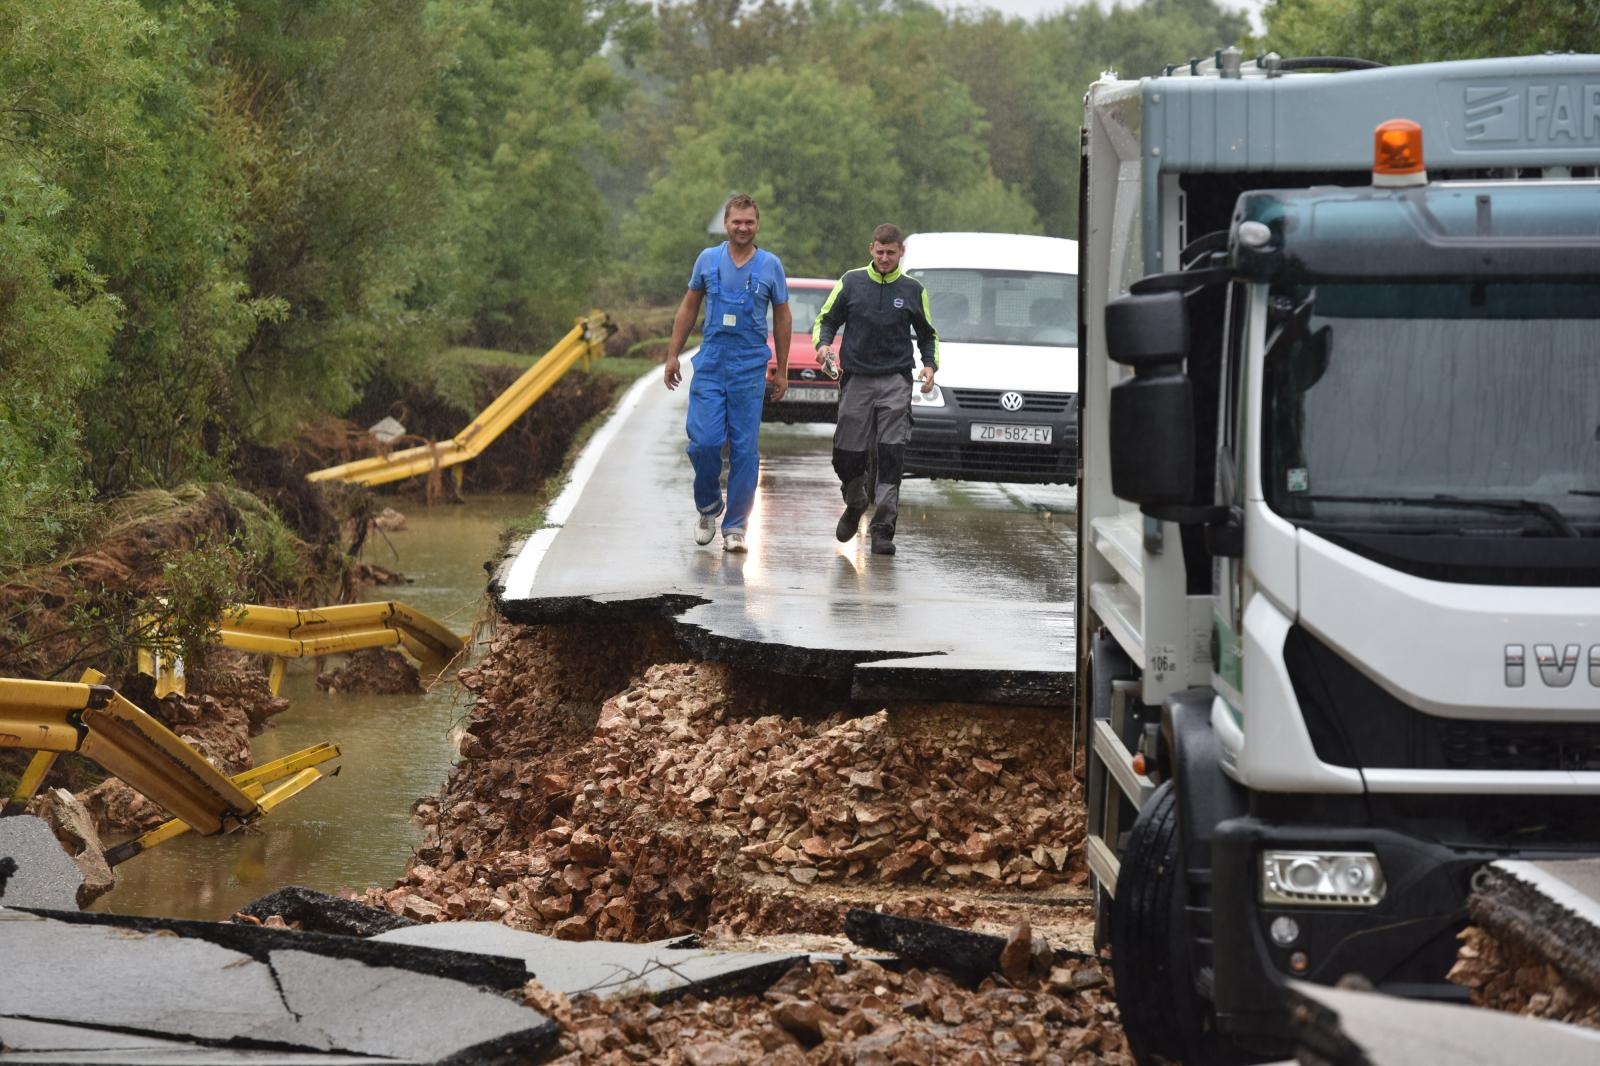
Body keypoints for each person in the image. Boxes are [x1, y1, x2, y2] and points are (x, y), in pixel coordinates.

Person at [663, 194, 791, 553]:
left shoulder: (770, 266)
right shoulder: (707, 259)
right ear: (726, 224)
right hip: (712, 363)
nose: (743, 228)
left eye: (749, 222)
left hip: (749, 368)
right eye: (737, 221)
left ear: (757, 224)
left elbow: (782, 317)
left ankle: (735, 526)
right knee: (704, 442)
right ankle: (708, 506)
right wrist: (673, 355)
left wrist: (781, 370)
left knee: (744, 451)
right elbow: (689, 307)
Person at [813, 223, 937, 556]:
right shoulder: (851, 282)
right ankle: (855, 501)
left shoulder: (913, 290)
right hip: (857, 377)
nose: (884, 258)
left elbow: (928, 334)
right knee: (846, 453)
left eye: (890, 253)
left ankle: (883, 529)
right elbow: (826, 319)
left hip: (896, 379)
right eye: (879, 252)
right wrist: (823, 346)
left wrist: (929, 364)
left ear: (901, 253)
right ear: (871, 249)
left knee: (890, 453)